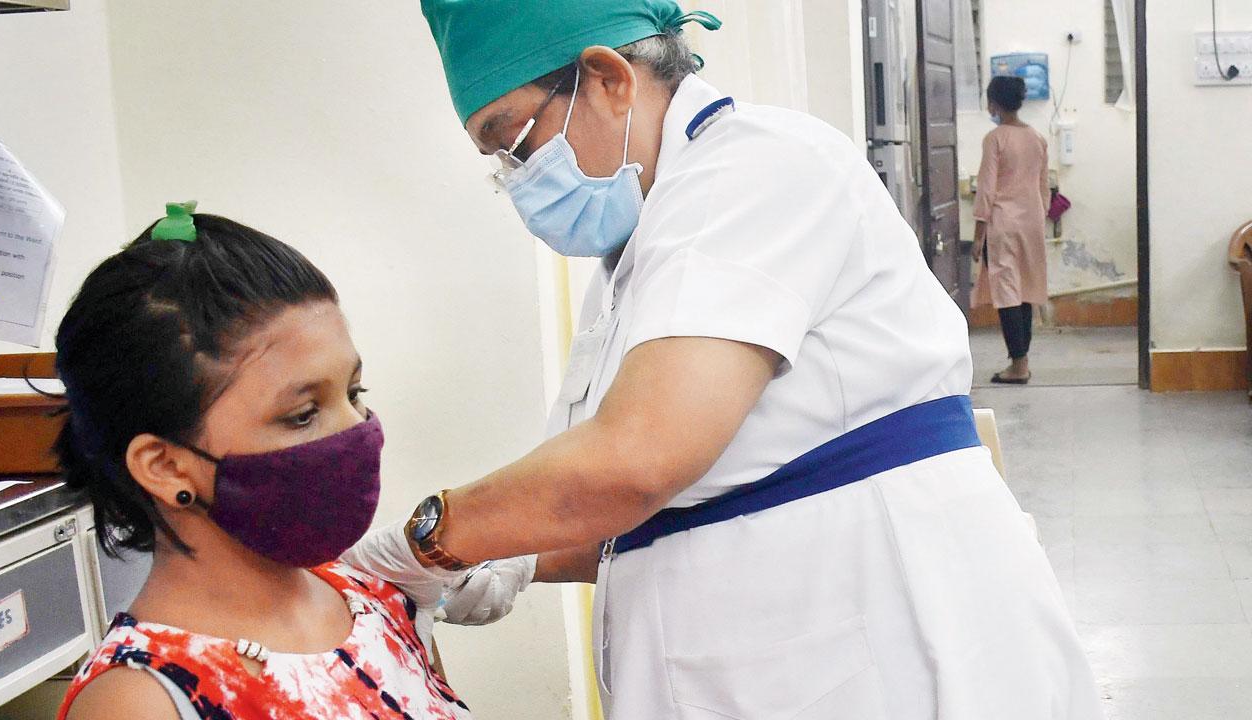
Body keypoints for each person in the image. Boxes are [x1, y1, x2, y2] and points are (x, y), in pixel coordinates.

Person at [353, 2, 1104, 718]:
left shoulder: (756, 170)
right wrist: (515, 558)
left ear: (610, 78)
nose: (515, 180)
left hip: (883, 657)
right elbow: (671, 505)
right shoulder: (639, 255)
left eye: (512, 141)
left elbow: (637, 462)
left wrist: (430, 536)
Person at [56, 206, 475, 720]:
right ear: (165, 466)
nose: (357, 427)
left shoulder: (375, 601)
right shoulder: (142, 701)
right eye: (302, 415)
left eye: (354, 391)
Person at [971, 75, 1052, 385]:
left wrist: (979, 235)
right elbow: (1043, 187)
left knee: (1007, 293)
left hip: (1002, 224)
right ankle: (1023, 361)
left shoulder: (995, 139)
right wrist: (1038, 216)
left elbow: (987, 189)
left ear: (993, 103)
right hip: (1031, 222)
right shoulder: (1037, 138)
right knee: (1026, 292)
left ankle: (1018, 366)